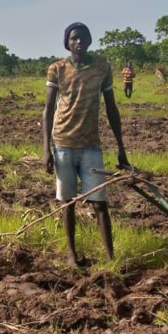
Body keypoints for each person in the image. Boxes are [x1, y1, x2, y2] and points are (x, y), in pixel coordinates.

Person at [43, 22, 129, 267]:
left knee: (100, 203)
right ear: (67, 43)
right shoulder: (57, 69)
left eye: (83, 38)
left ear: (90, 41)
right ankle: (72, 255)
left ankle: (110, 257)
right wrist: (46, 149)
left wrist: (121, 148)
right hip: (62, 143)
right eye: (74, 39)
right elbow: (48, 110)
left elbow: (112, 109)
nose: (78, 42)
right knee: (67, 202)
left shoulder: (102, 67)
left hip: (91, 145)